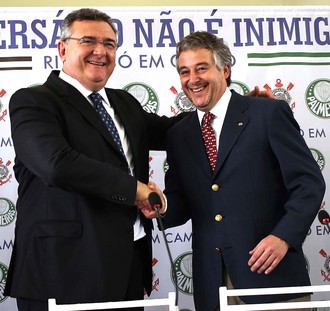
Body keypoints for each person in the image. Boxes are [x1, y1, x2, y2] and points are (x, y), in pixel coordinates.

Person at [4, 8, 169, 311]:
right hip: (62, 271)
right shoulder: (33, 101)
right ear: (63, 49)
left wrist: (238, 108)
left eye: (109, 44)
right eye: (89, 41)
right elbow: (57, 164)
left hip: (127, 265)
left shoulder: (124, 102)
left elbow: (175, 132)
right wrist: (136, 190)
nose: (100, 51)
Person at [160, 31, 326, 311]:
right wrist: (157, 204)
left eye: (202, 68)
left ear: (224, 70)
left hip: (273, 279)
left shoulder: (268, 113)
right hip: (213, 286)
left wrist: (283, 236)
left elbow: (308, 183)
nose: (193, 79)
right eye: (184, 71)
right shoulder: (179, 134)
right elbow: (181, 203)